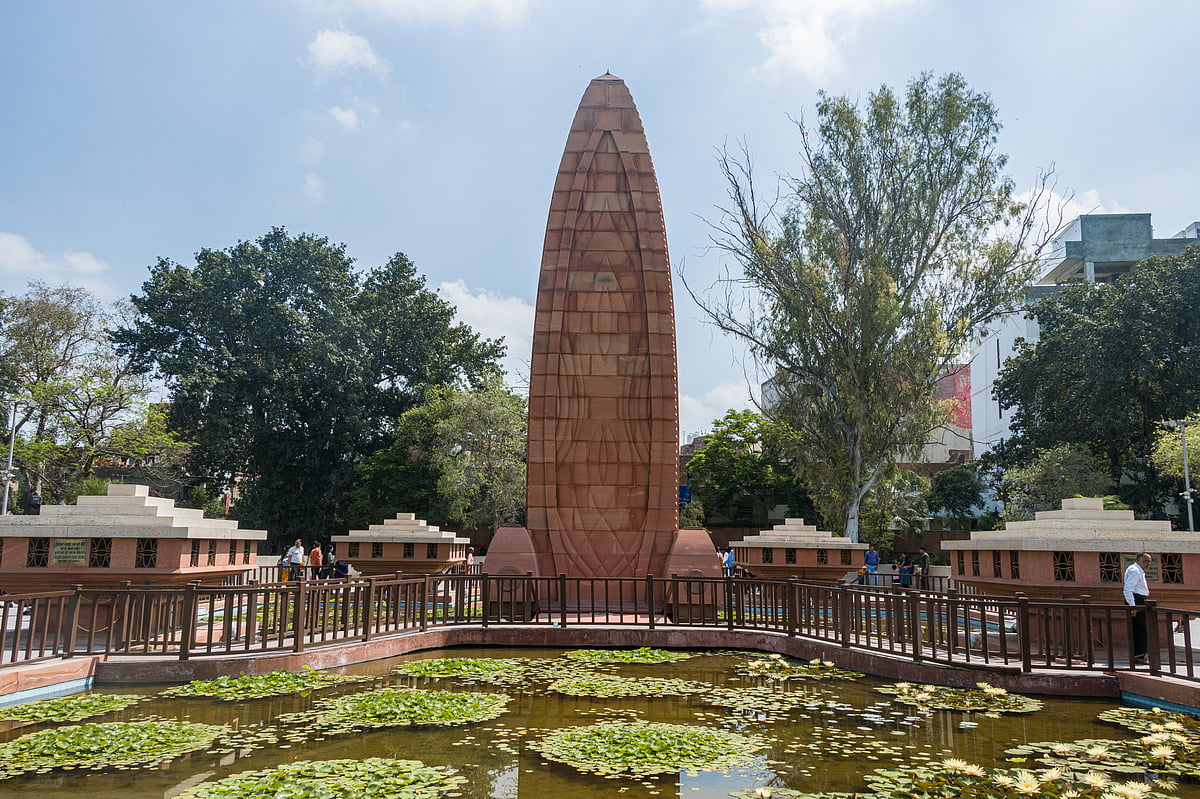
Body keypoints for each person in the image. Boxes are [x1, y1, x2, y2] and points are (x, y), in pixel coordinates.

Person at [1124, 552, 1152, 666]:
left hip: (1139, 599)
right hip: (1136, 600)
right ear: (1138, 560)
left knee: (1142, 628)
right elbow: (1128, 589)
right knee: (1140, 629)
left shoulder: (1139, 571)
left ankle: (1141, 654)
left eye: (1149, 561)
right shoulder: (1134, 570)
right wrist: (1132, 605)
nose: (1148, 564)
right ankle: (1139, 655)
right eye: (1145, 561)